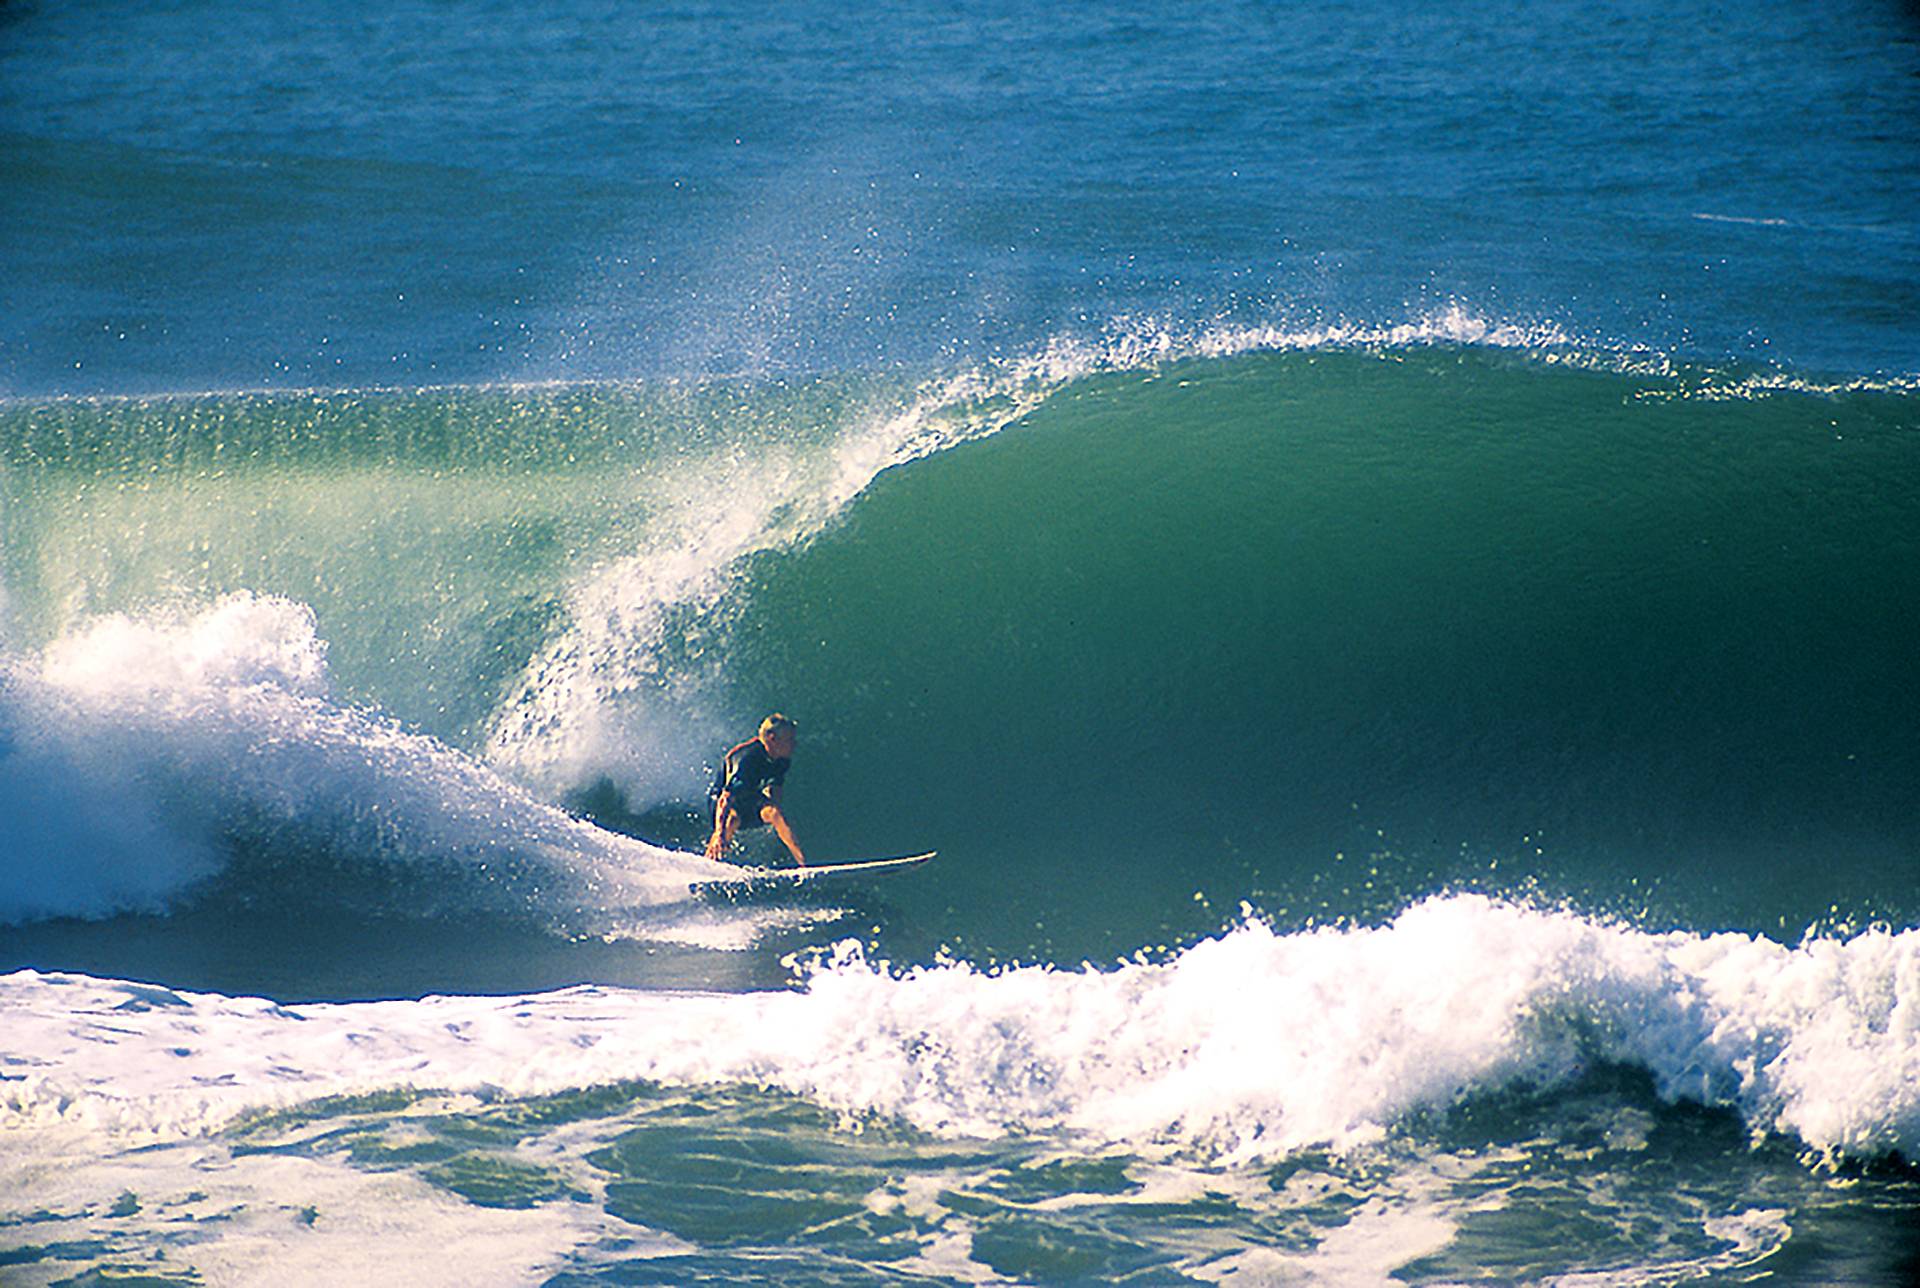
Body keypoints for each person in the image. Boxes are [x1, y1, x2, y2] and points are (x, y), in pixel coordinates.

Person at [704, 713, 806, 866]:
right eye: (789, 740)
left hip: (750, 798)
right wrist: (719, 832)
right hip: (721, 802)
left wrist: (774, 815)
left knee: (775, 813)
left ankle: (804, 865)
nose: (794, 744)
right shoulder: (747, 759)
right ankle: (709, 863)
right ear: (772, 738)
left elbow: (775, 788)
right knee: (732, 820)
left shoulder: (782, 760)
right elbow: (725, 799)